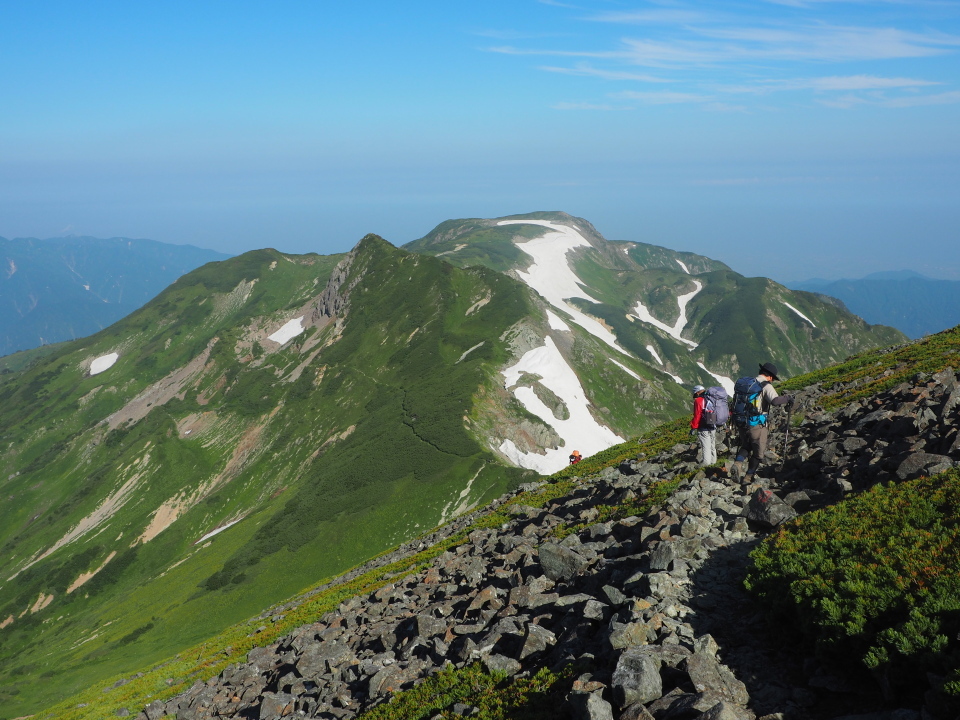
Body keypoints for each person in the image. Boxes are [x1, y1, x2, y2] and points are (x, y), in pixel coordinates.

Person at [732, 362, 794, 483]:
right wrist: (788, 398)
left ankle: (738, 463)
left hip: (741, 421)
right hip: (756, 424)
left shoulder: (749, 383)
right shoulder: (766, 386)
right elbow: (775, 401)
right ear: (770, 376)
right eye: (773, 379)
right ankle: (748, 477)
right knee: (758, 453)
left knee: (746, 445)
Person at [690, 385, 717, 466]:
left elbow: (697, 415)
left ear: (697, 392)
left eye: (695, 394)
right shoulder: (712, 398)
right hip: (713, 425)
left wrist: (693, 427)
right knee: (712, 444)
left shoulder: (699, 400)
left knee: (706, 445)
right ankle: (713, 462)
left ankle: (706, 463)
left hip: (703, 426)